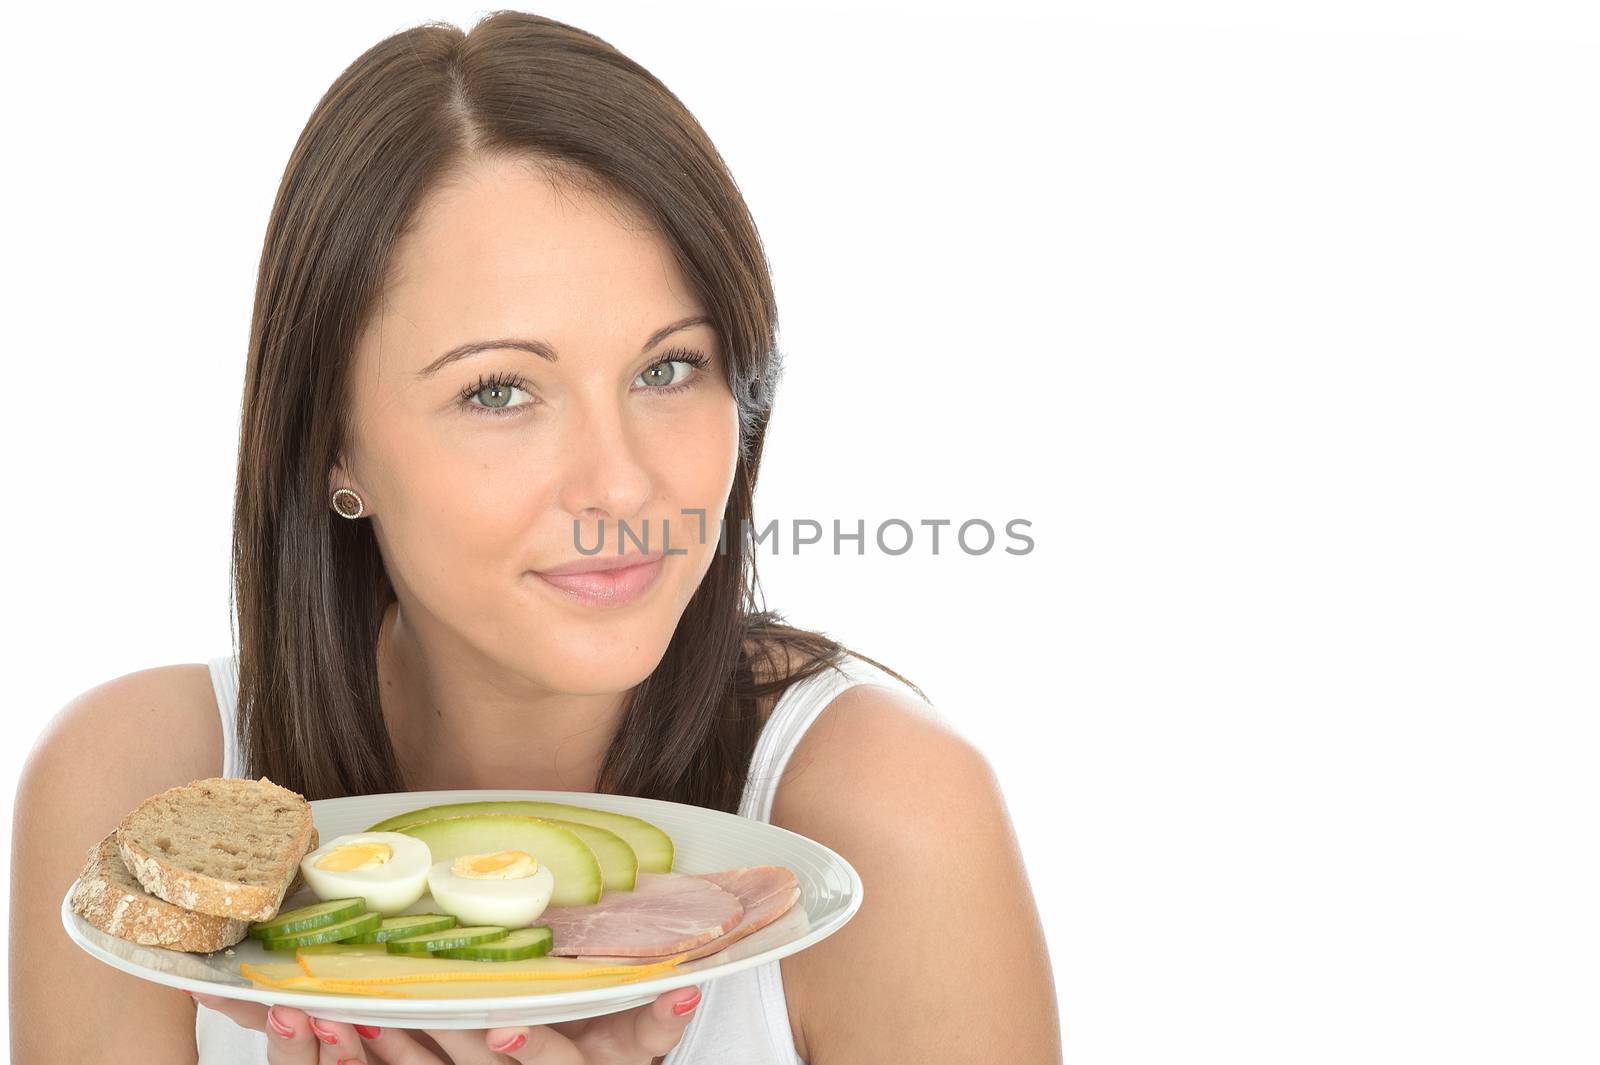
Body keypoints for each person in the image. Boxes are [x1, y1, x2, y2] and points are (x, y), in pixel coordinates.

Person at [11, 11, 1061, 1064]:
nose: (620, 484)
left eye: (667, 368)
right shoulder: (138, 802)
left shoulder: (885, 824)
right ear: (333, 443)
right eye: (500, 390)